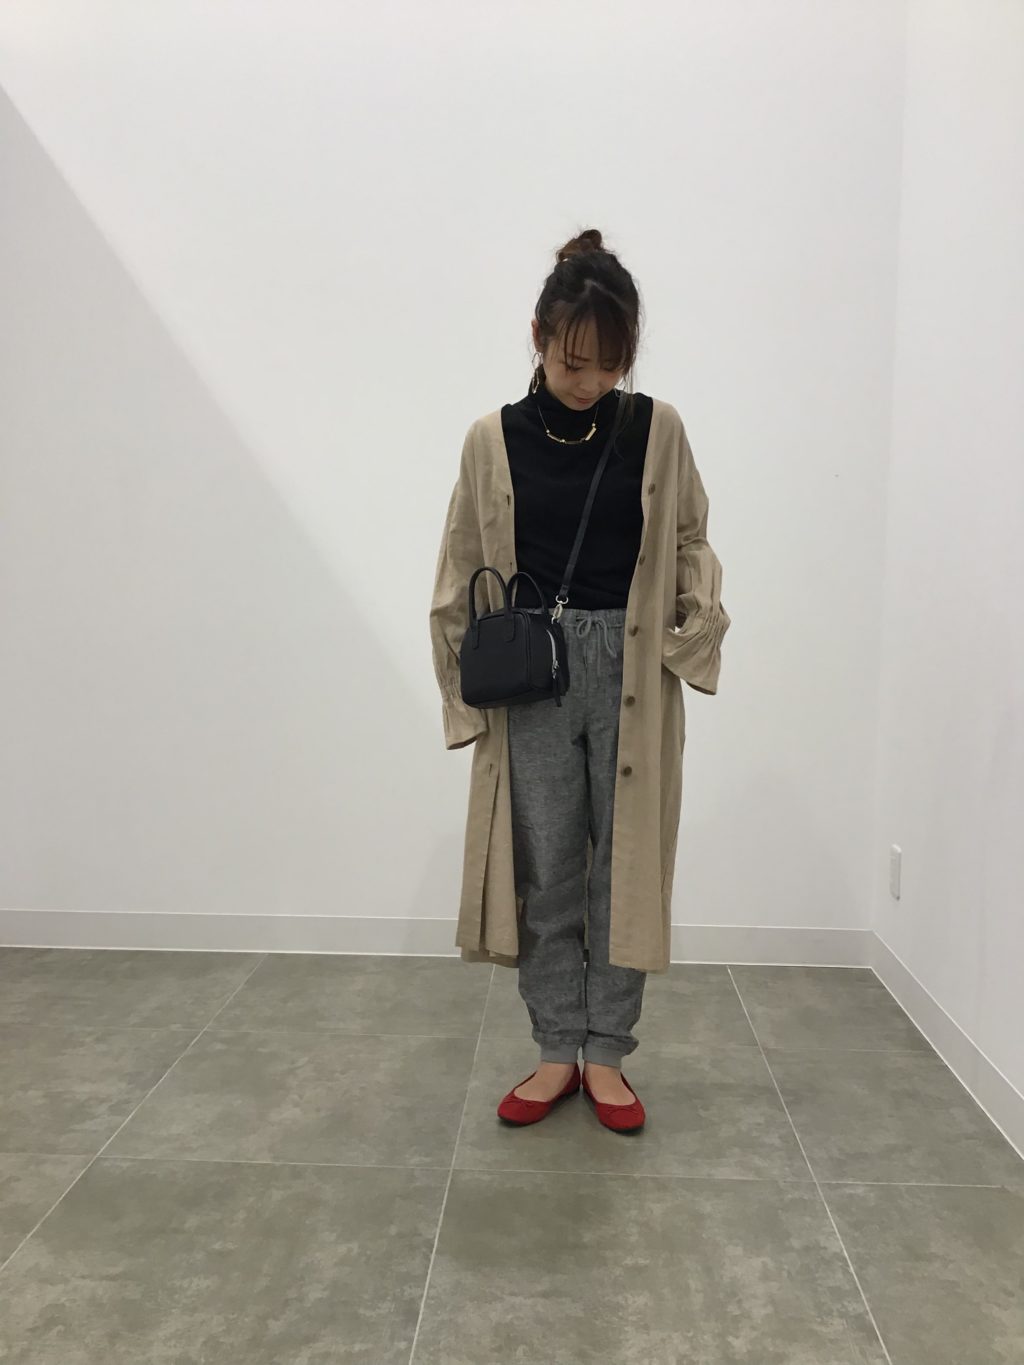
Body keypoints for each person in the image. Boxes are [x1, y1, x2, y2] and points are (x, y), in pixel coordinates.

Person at [429, 228, 730, 1133]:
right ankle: (557, 1044)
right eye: (572, 360)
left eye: (609, 362)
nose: (589, 379)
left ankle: (609, 1053)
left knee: (623, 868)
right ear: (538, 337)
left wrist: (691, 630)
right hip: (535, 676)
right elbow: (460, 568)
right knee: (549, 868)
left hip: (632, 669)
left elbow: (690, 538)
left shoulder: (657, 429)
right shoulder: (493, 439)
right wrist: (462, 702)